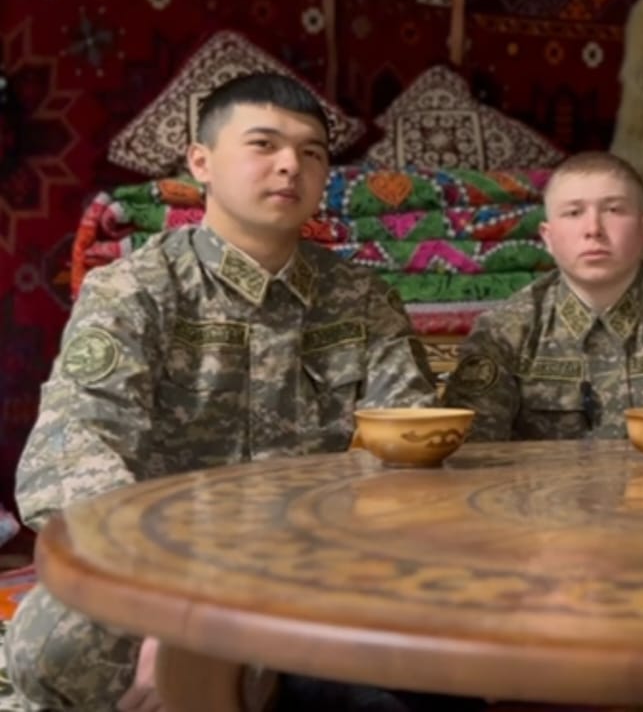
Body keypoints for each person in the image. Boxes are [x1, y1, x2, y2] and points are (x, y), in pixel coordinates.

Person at [3, 72, 455, 712]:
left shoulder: (362, 298)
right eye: (263, 145)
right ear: (201, 162)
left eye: (311, 153)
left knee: (466, 616)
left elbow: (410, 445)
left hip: (320, 562)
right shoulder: (137, 289)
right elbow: (72, 451)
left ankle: (273, 671)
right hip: (164, 559)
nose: (290, 166)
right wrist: (168, 604)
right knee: (56, 646)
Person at [443, 151, 643, 439]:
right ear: (548, 237)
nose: (593, 229)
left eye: (613, 210)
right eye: (574, 213)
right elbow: (474, 455)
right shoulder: (505, 331)